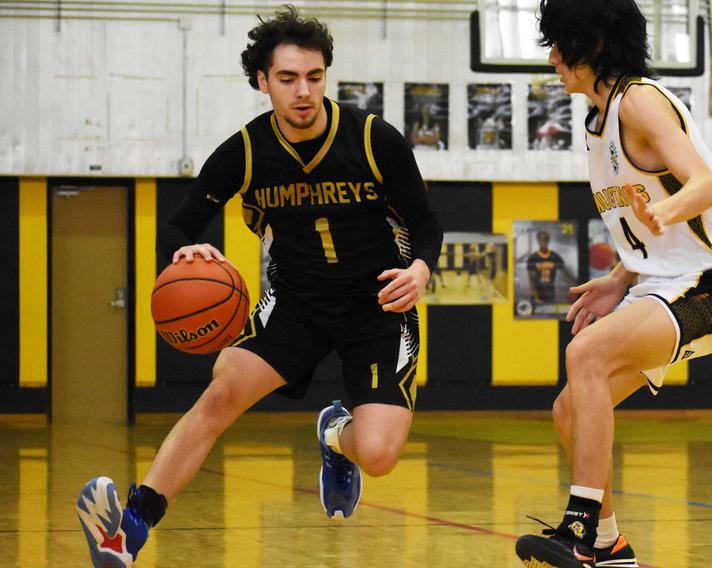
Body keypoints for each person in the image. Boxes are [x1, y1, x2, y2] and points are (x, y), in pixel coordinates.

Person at [75, 6, 442, 567]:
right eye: (289, 78)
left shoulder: (373, 139)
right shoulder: (245, 151)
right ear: (262, 81)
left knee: (380, 455)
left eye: (314, 77)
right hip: (295, 303)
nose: (304, 92)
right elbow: (176, 226)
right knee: (223, 388)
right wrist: (183, 249)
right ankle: (132, 525)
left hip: (379, 306)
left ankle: (334, 434)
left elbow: (425, 222)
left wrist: (420, 269)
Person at [515, 1, 712, 567]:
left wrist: (669, 212)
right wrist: (622, 276)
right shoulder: (598, 124)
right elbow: (647, 226)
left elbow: (704, 185)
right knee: (568, 410)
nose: (551, 57)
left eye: (558, 44)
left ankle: (580, 526)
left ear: (590, 47)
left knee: (587, 353)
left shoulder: (639, 102)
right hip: (664, 282)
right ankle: (610, 544)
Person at [526, 230, 568, 307]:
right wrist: (535, 297)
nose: (543, 241)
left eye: (545, 239)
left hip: (550, 291)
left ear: (548, 240)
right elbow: (531, 280)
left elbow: (562, 265)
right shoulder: (533, 258)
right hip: (538, 292)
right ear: (538, 240)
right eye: (541, 239)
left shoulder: (554, 256)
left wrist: (553, 265)